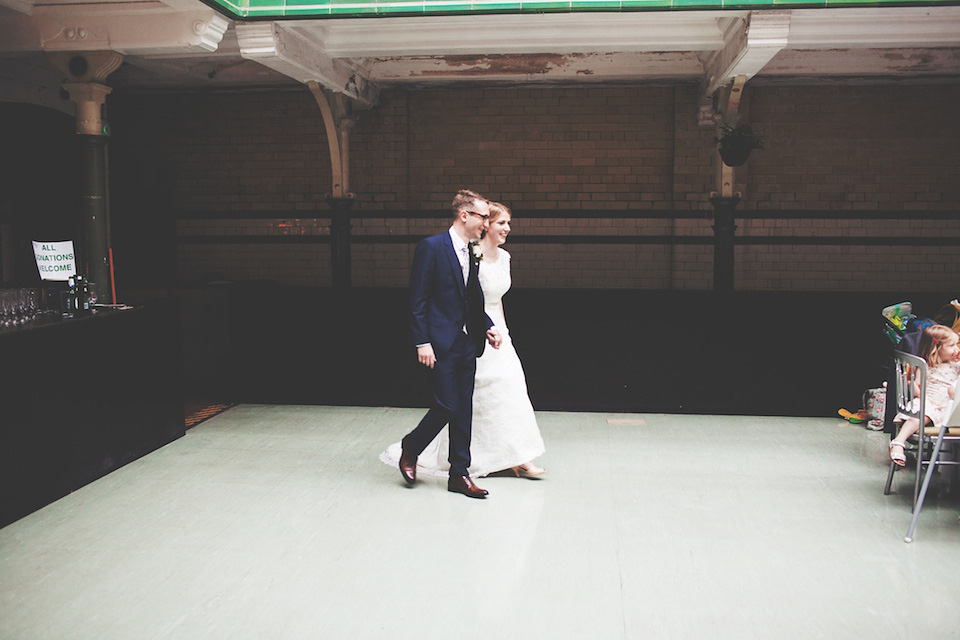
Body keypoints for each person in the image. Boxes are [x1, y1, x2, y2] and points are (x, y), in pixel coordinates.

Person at [381, 202, 546, 479]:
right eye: (498, 222)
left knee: (505, 392)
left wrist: (497, 328)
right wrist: (423, 341)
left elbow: (488, 300)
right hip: (455, 336)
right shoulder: (450, 249)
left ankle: (503, 459)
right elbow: (430, 299)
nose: (506, 228)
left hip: (490, 332)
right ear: (474, 220)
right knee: (454, 403)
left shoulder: (500, 257)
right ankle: (420, 448)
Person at [394, 189, 502, 499]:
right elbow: (418, 300)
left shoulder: (472, 250)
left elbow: (472, 297)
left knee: (463, 408)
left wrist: (489, 326)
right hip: (439, 342)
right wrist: (422, 341)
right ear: (464, 215)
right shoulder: (431, 247)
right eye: (483, 216)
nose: (487, 222)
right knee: (447, 404)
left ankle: (459, 474)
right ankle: (411, 446)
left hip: (468, 342)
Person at [888, 324, 960, 466]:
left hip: (948, 407)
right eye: (952, 345)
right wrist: (911, 384)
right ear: (936, 348)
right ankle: (898, 442)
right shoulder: (924, 365)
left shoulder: (956, 365)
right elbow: (917, 390)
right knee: (924, 413)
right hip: (929, 401)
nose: (956, 349)